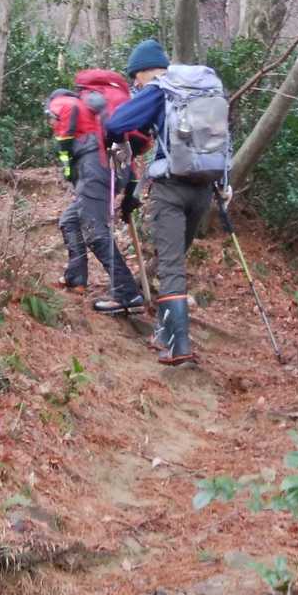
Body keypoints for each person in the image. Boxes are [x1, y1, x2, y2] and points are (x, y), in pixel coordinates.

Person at [101, 38, 229, 365]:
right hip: (205, 187)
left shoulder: (159, 90)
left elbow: (115, 123)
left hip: (171, 188)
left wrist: (116, 144)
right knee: (174, 259)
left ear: (145, 71)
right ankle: (164, 330)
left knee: (172, 267)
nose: (135, 84)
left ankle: (178, 346)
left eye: (135, 77)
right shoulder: (206, 89)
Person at [48, 85, 144, 315]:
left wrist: (68, 168)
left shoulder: (66, 103)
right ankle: (75, 278)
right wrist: (130, 194)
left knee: (95, 231)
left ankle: (127, 292)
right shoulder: (101, 119)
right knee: (70, 220)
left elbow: (63, 139)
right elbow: (127, 159)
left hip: (94, 171)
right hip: (111, 172)